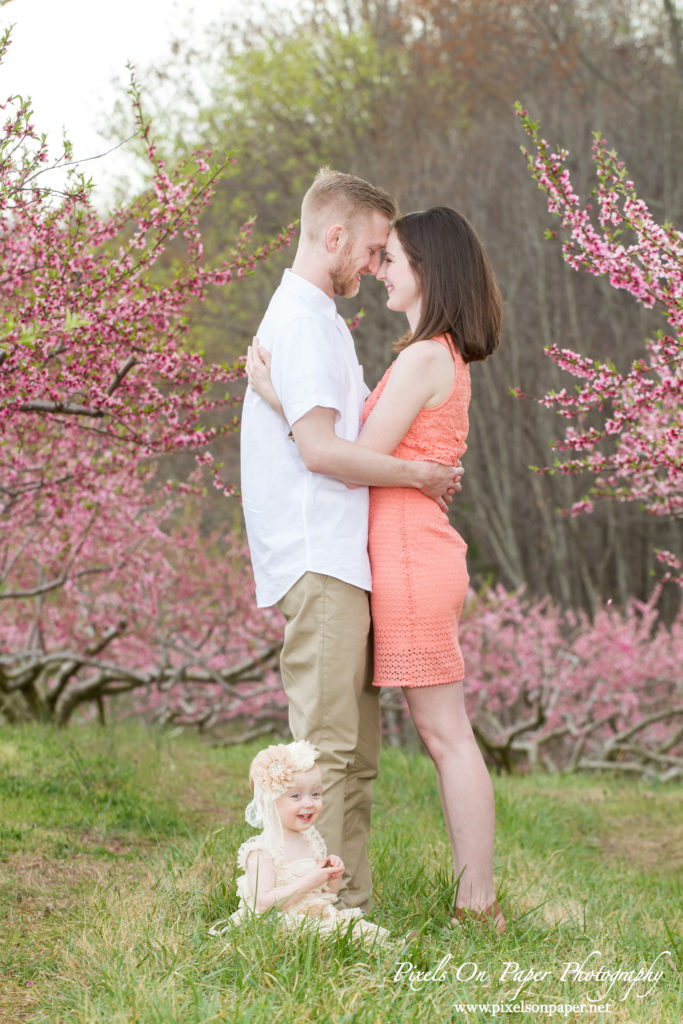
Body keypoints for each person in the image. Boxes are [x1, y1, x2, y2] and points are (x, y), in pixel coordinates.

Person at [247, 206, 506, 932]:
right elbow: (367, 444)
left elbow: (350, 451)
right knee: (443, 734)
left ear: (429, 268)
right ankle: (473, 899)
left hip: (411, 557)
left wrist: (276, 395)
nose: (379, 270)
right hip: (407, 553)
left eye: (390, 258)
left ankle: (477, 901)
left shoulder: (427, 355)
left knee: (445, 735)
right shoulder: (432, 353)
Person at [211, 740, 388, 940]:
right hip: (279, 922)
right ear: (268, 801)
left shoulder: (311, 839)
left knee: (360, 932)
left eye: (315, 794)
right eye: (296, 796)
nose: (309, 803)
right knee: (325, 936)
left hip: (313, 914)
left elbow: (325, 894)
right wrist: (308, 881)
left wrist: (332, 877)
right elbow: (263, 904)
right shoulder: (262, 851)